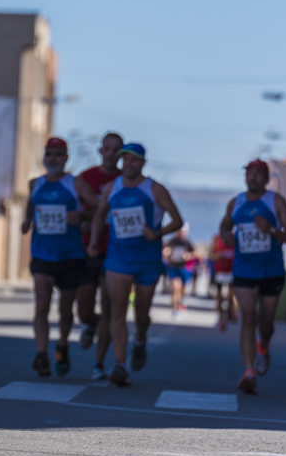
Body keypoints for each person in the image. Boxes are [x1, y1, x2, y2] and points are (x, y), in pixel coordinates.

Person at [88, 143, 183, 386]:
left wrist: (157, 232)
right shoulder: (113, 187)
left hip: (147, 259)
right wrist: (93, 241)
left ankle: (140, 339)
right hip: (118, 258)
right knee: (117, 311)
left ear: (142, 163)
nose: (128, 164)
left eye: (133, 160)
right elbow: (100, 214)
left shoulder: (154, 188)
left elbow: (178, 220)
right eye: (125, 160)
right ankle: (120, 364)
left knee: (141, 314)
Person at [219, 159, 286, 394]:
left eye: (257, 174)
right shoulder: (236, 202)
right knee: (249, 316)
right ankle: (249, 371)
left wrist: (271, 230)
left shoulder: (275, 201)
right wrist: (227, 237)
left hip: (271, 271)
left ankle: (263, 344)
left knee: (266, 323)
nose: (252, 177)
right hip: (244, 270)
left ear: (266, 178)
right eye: (249, 173)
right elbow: (223, 227)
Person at [21, 137, 96, 377]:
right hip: (42, 254)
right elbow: (29, 209)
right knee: (42, 305)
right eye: (49, 153)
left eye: (58, 154)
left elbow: (97, 207)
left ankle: (62, 344)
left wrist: (81, 216)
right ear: (44, 157)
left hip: (70, 255)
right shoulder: (35, 184)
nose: (53, 158)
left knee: (65, 310)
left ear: (66, 158)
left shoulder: (75, 183)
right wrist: (26, 221)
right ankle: (41, 354)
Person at [75, 132, 123, 380]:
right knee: (83, 309)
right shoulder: (86, 178)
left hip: (115, 250)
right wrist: (84, 219)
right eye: (107, 148)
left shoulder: (127, 181)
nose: (111, 153)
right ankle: (89, 324)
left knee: (109, 306)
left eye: (116, 149)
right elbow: (77, 210)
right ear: (100, 151)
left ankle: (98, 362)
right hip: (88, 248)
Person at [163, 223, 196, 317]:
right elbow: (166, 250)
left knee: (183, 290)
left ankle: (181, 301)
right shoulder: (172, 241)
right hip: (174, 268)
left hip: (185, 268)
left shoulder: (188, 242)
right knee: (175, 288)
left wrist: (188, 256)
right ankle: (175, 309)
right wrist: (167, 253)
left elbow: (196, 253)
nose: (182, 233)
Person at [209, 232, 237, 331]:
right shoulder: (217, 238)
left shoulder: (237, 237)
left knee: (231, 297)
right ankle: (221, 320)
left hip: (233, 272)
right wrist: (219, 256)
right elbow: (211, 255)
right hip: (220, 272)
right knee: (219, 297)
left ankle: (231, 312)